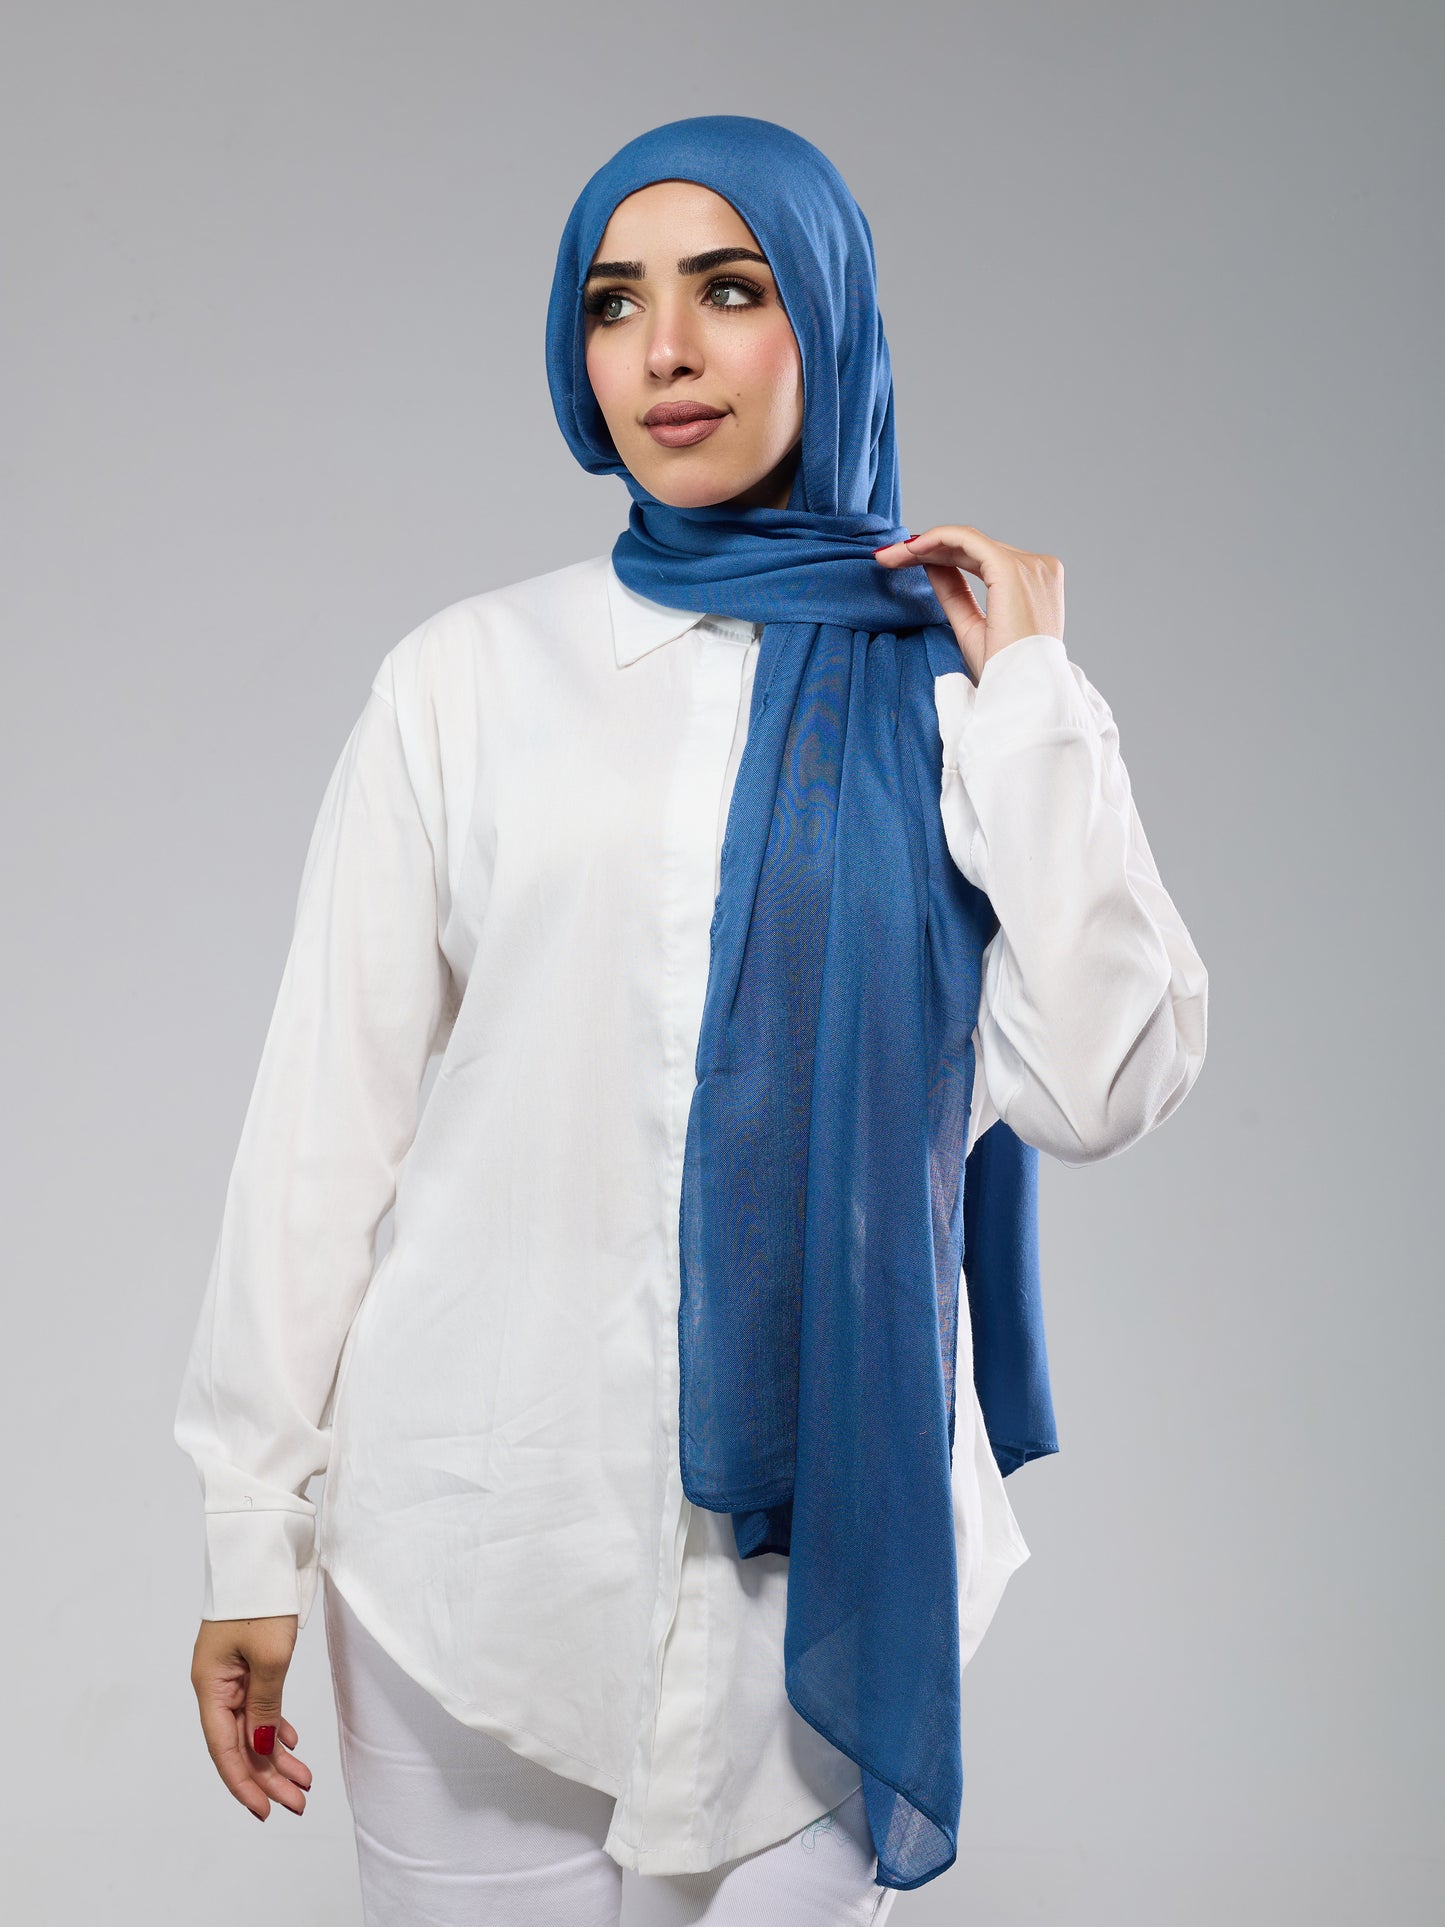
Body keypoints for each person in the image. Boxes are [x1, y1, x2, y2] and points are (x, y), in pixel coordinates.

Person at [174, 115, 1208, 1924]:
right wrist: (249, 1526)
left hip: (825, 1579)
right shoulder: (467, 678)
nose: (662, 350)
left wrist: (1036, 694)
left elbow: (1104, 1083)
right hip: (473, 1551)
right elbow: (321, 1131)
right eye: (612, 303)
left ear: (828, 316)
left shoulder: (958, 695)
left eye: (728, 291)